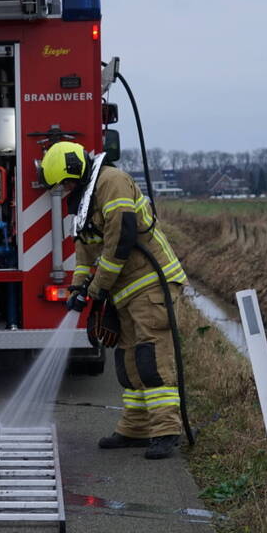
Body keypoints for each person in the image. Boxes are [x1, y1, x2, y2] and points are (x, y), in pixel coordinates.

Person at [39, 141, 187, 460]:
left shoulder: (111, 182)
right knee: (128, 361)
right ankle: (135, 429)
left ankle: (166, 431)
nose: (63, 190)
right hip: (127, 291)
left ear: (76, 173)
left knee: (152, 357)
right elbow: (85, 250)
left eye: (64, 183)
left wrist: (96, 289)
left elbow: (121, 239)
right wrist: (79, 286)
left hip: (151, 284)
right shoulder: (84, 201)